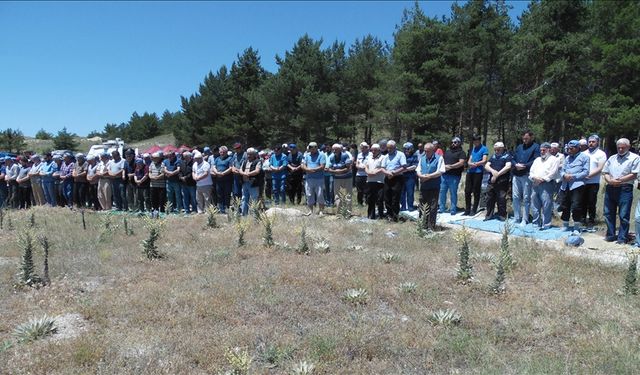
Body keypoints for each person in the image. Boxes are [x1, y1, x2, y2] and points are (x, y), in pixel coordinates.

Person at [602, 138, 639, 244]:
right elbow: (605, 172)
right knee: (608, 212)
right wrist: (610, 180)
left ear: (628, 147)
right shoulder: (612, 158)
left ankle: (622, 238)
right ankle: (611, 235)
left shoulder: (635, 158)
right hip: (610, 187)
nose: (621, 149)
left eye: (623, 147)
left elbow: (634, 173)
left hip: (625, 188)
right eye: (619, 147)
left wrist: (619, 180)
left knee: (623, 214)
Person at [559, 140, 590, 231]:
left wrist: (573, 176)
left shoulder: (585, 157)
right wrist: (564, 175)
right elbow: (562, 170)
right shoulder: (567, 158)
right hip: (565, 185)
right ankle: (565, 224)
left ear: (577, 148)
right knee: (565, 205)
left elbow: (585, 172)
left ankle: (576, 226)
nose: (569, 150)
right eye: (568, 148)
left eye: (571, 148)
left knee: (576, 206)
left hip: (577, 185)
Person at [529, 143, 561, 230]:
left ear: (549, 150)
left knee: (546, 204)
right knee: (535, 204)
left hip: (547, 184)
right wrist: (534, 178)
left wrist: (542, 179)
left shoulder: (554, 159)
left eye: (544, 150)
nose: (542, 152)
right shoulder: (537, 160)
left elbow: (553, 173)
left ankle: (546, 224)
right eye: (541, 150)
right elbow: (531, 171)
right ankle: (536, 223)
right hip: (535, 183)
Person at [511, 130, 540, 225]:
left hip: (526, 174)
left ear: (531, 137)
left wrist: (524, 166)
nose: (524, 140)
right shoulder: (519, 147)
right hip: (516, 174)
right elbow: (513, 158)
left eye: (526, 138)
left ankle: (525, 219)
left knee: (526, 197)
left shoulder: (536, 147)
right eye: (523, 138)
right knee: (515, 196)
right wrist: (516, 165)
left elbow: (536, 160)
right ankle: (516, 217)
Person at [416, 143, 445, 230]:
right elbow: (418, 170)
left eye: (427, 151)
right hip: (424, 186)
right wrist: (421, 176)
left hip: (434, 187)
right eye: (425, 150)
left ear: (433, 150)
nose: (426, 152)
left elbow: (440, 171)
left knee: (432, 207)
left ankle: (431, 226)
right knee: (422, 206)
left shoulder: (439, 158)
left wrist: (428, 176)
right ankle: (422, 225)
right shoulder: (422, 158)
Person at [582, 135, 607, 231]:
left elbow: (600, 168)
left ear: (597, 143)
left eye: (593, 141)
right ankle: (582, 219)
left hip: (593, 182)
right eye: (589, 141)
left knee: (591, 202)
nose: (591, 143)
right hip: (583, 181)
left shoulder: (601, 154)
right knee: (582, 201)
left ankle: (591, 220)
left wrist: (589, 175)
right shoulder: (583, 153)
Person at [484, 142, 512, 221]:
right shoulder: (493, 156)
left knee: (501, 199)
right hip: (491, 181)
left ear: (502, 148)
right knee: (489, 198)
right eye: (495, 149)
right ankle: (489, 215)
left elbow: (508, 167)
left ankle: (502, 215)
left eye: (498, 149)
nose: (496, 151)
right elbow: (486, 166)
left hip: (502, 181)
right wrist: (493, 172)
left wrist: (497, 175)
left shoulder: (507, 156)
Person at [438, 137, 466, 215]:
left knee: (453, 192)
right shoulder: (447, 152)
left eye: (455, 142)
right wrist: (443, 167)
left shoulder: (462, 153)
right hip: (444, 175)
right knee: (442, 192)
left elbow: (461, 163)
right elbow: (442, 161)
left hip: (454, 176)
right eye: (452, 142)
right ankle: (441, 208)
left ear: (459, 143)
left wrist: (450, 166)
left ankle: (453, 209)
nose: (453, 143)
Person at [381, 140, 407, 222]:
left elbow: (404, 167)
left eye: (390, 148)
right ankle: (389, 215)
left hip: (397, 178)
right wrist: (387, 173)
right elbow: (382, 168)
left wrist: (394, 173)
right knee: (387, 197)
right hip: (388, 177)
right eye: (388, 148)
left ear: (395, 147)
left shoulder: (400, 155)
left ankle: (395, 215)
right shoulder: (385, 156)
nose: (389, 150)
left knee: (395, 197)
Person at [464, 135, 488, 216]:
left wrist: (476, 164)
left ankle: (474, 209)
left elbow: (484, 160)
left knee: (476, 191)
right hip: (470, 171)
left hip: (478, 171)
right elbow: (469, 160)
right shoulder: (473, 149)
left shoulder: (484, 148)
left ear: (479, 140)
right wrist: (470, 163)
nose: (475, 142)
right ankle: (467, 209)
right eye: (474, 141)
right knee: (467, 190)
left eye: (477, 141)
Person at [326, 143, 353, 213]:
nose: (334, 151)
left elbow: (348, 168)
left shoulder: (345, 155)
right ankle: (339, 212)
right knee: (337, 195)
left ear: (340, 150)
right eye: (333, 149)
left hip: (347, 178)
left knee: (348, 194)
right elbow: (329, 168)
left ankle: (348, 212)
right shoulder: (332, 157)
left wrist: (338, 171)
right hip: (336, 179)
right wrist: (335, 171)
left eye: (336, 149)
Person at [301, 142, 326, 216]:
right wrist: (307, 169)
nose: (311, 150)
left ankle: (321, 211)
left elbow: (322, 166)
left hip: (319, 178)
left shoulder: (321, 155)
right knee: (309, 194)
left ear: (315, 147)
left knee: (319, 194)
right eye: (310, 148)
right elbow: (302, 165)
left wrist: (313, 170)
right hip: (309, 178)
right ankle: (311, 211)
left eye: (312, 148)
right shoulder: (306, 155)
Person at [238, 148, 263, 216]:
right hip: (244, 183)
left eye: (250, 154)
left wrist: (248, 174)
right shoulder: (245, 161)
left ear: (254, 154)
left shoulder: (258, 161)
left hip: (253, 183)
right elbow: (240, 170)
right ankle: (244, 215)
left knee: (254, 199)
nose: (249, 156)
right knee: (244, 199)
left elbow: (257, 171)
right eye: (248, 154)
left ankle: (254, 215)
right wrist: (243, 173)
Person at [364, 144, 385, 220]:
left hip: (379, 181)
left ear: (379, 150)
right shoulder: (369, 157)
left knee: (380, 199)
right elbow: (366, 166)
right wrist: (368, 172)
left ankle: (380, 215)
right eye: (372, 150)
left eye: (375, 150)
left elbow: (383, 168)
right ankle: (370, 215)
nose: (373, 151)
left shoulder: (383, 157)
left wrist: (374, 173)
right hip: (370, 180)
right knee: (370, 198)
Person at [212, 145, 233, 213]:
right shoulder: (217, 158)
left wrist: (223, 173)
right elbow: (214, 166)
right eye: (221, 152)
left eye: (223, 152)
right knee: (219, 194)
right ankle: (221, 209)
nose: (222, 153)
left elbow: (231, 168)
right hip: (218, 180)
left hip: (227, 180)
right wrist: (217, 172)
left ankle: (227, 208)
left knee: (227, 194)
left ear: (226, 152)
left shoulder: (230, 159)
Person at [400, 142, 419, 212]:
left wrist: (405, 169)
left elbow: (415, 166)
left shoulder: (414, 155)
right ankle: (403, 206)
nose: (406, 150)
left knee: (410, 192)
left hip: (411, 176)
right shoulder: (401, 155)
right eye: (405, 149)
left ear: (411, 149)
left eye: (408, 149)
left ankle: (410, 207)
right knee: (402, 192)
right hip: (402, 176)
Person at [355, 142, 370, 206]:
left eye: (363, 148)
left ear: (367, 148)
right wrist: (358, 167)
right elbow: (357, 164)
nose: (362, 149)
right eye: (361, 148)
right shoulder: (359, 155)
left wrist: (365, 168)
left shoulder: (371, 155)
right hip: (359, 174)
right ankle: (359, 202)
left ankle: (367, 202)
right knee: (359, 190)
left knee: (367, 190)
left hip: (367, 174)